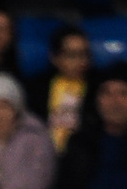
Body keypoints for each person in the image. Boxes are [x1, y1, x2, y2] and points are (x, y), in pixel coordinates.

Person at [30, 25, 90, 153]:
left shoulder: (97, 88)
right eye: (72, 55)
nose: (80, 61)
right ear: (55, 58)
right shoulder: (37, 88)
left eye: (84, 54)